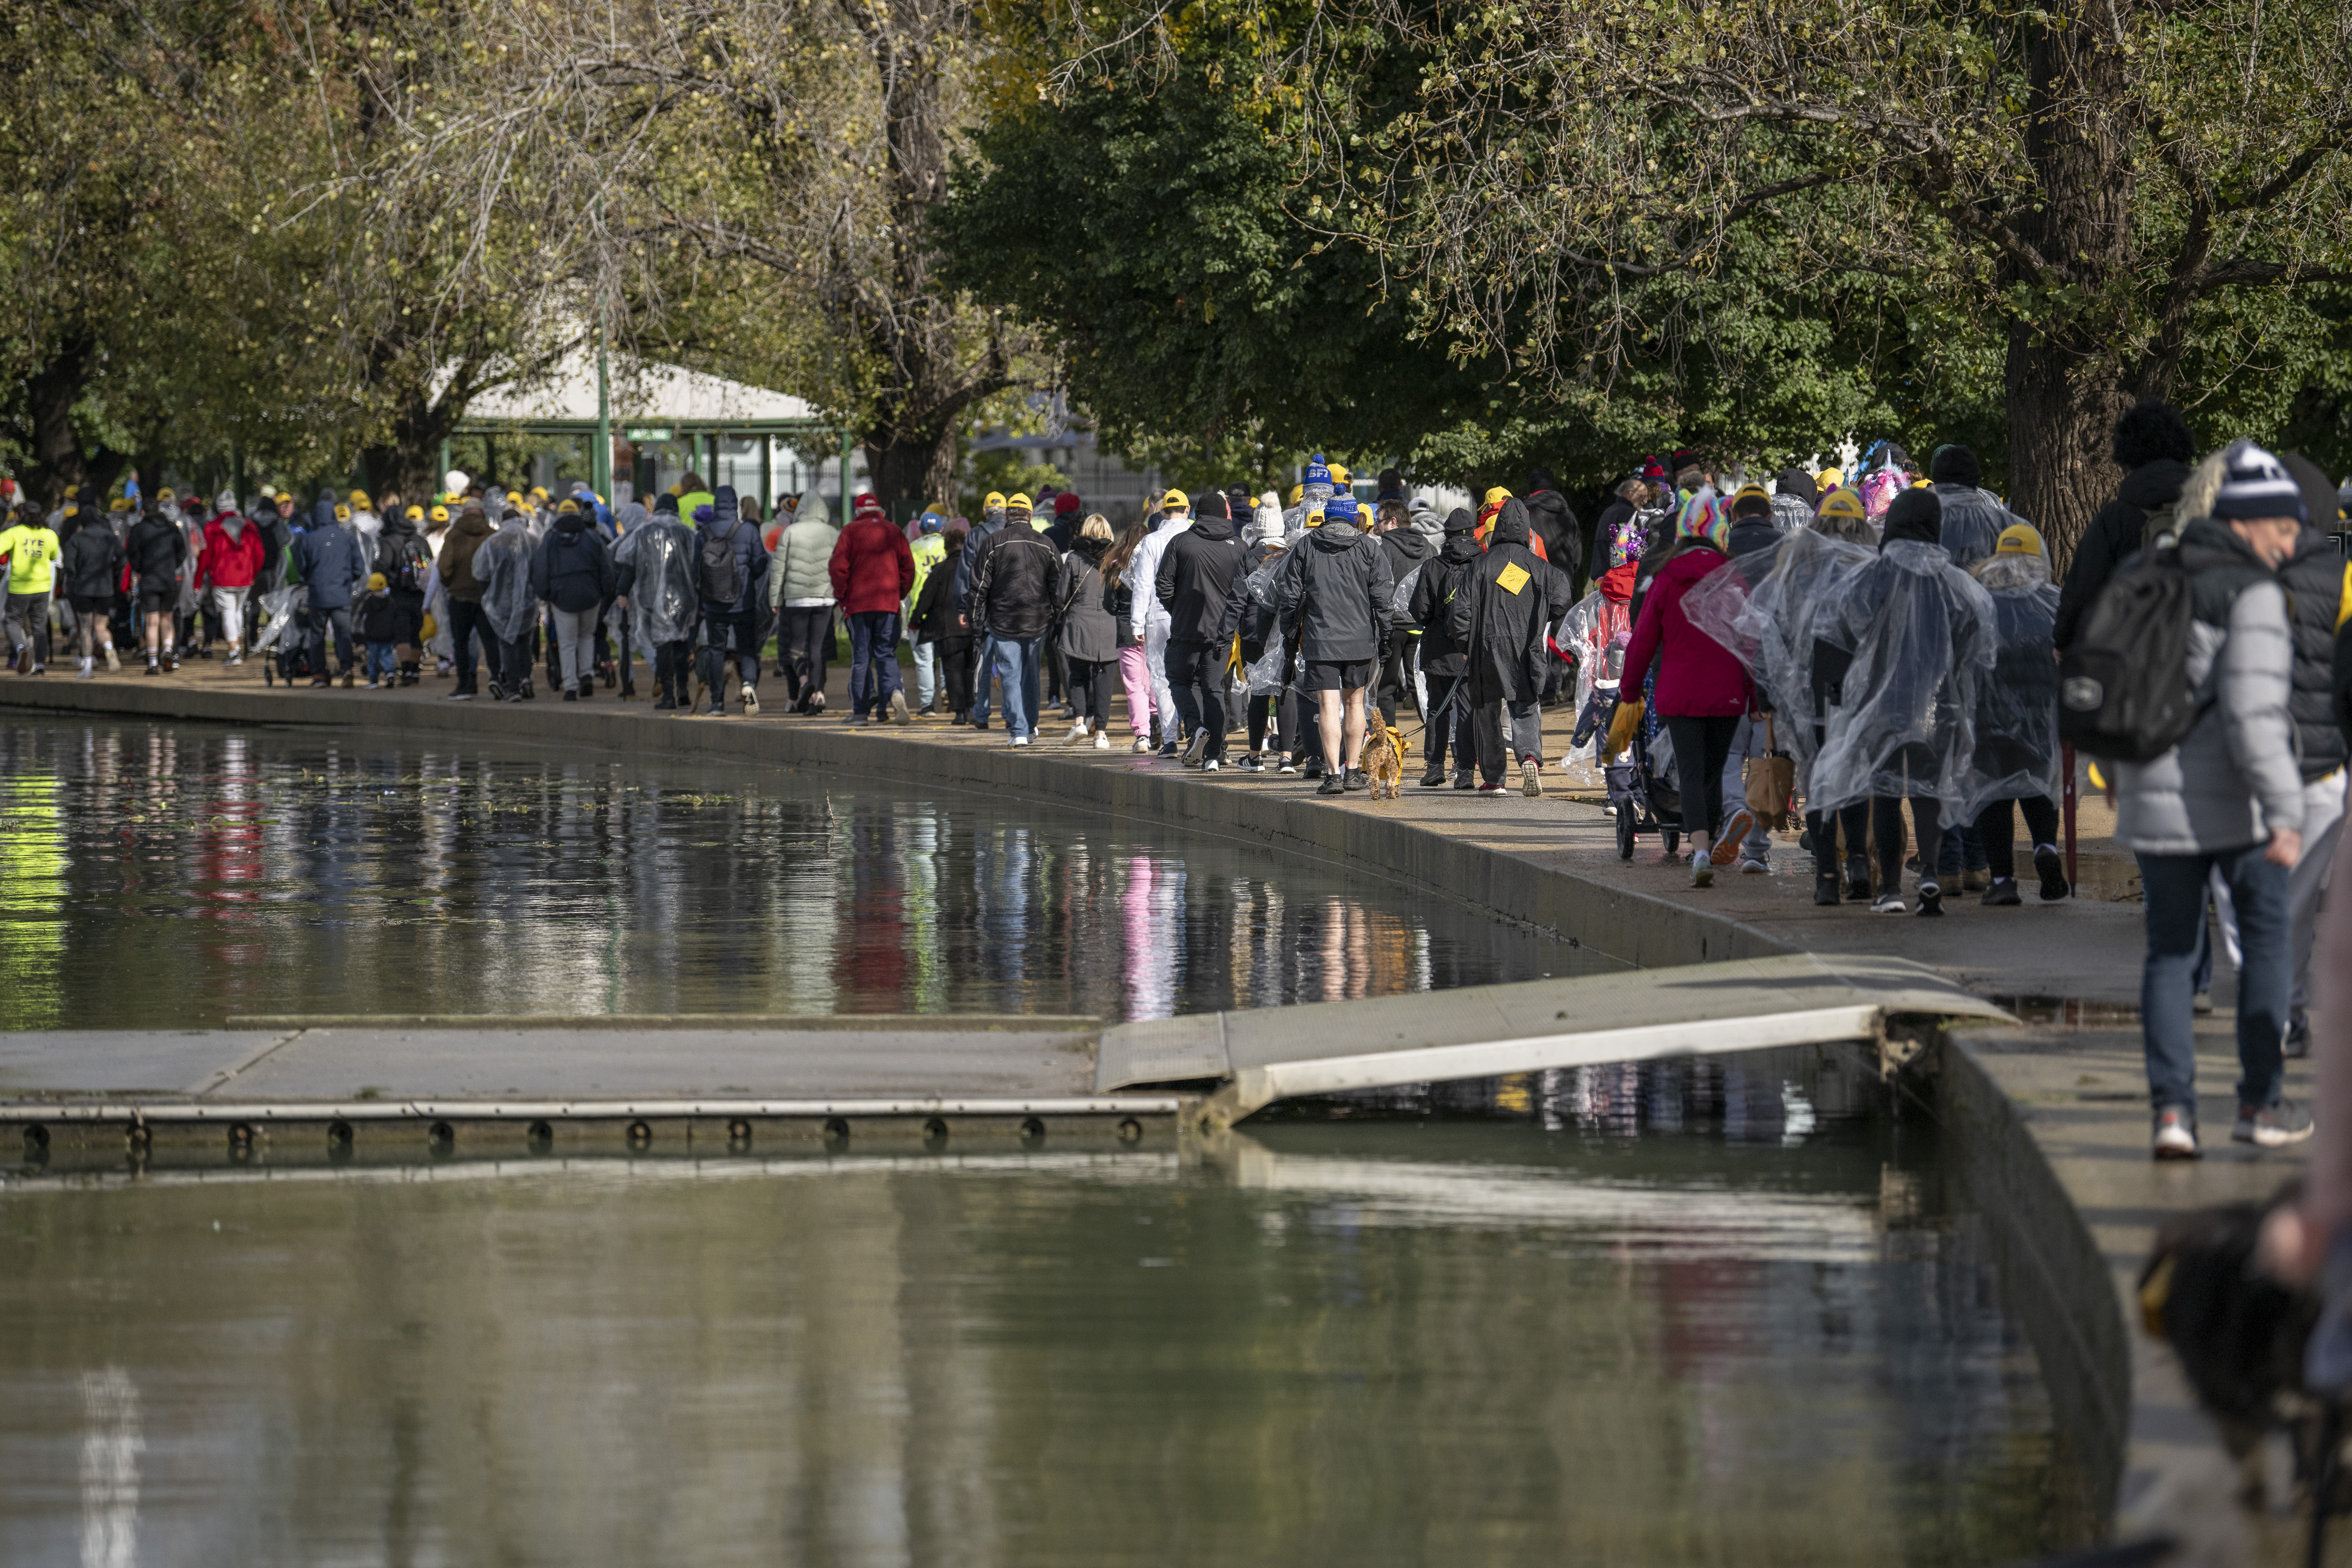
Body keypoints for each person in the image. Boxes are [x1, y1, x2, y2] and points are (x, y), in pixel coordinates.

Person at [2116, 441, 2310, 1158]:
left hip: (2154, 801)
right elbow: (2255, 716)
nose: (2291, 541)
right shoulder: (2251, 590)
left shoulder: (2142, 570)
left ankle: (2172, 1115)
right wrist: (2285, 809)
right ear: (2249, 522)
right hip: (2239, 808)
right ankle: (2259, 1103)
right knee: (2264, 947)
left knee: (2170, 954)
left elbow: (2105, 681)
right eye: (2284, 526)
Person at [1812, 487, 1994, 914]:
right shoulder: (1958, 584)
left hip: (1880, 704)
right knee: (1930, 791)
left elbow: (1834, 635)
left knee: (1887, 793)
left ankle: (1891, 889)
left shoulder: (1867, 577)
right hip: (1940, 703)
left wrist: (1836, 692)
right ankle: (1930, 872)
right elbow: (1979, 646)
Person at [1620, 493, 1749, 879]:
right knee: (1714, 772)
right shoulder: (1734, 576)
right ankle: (1711, 836)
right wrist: (1758, 695)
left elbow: (1642, 641)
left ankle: (1702, 853)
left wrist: (1629, 692)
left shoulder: (1667, 576)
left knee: (1690, 774)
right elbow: (1751, 642)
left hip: (1679, 693)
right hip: (1728, 694)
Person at [1964, 525, 2070, 904]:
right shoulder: (2055, 602)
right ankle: (2046, 848)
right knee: (2039, 787)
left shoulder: (1979, 602)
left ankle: (2004, 880)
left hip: (1988, 718)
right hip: (2041, 719)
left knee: (1994, 797)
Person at [1276, 491, 1394, 795]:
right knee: (1355, 703)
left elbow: (1289, 597)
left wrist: (1290, 633)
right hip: (1359, 640)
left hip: (1320, 639)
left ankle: (1332, 776)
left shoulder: (1306, 546)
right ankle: (1353, 770)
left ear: (1326, 517)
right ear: (1355, 518)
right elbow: (1383, 600)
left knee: (1328, 705)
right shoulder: (1370, 548)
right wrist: (1385, 638)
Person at [2056, 401, 2196, 650]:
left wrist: (2063, 641)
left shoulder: (2117, 516)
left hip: (2131, 648)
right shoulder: (2207, 511)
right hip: (2193, 645)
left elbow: (2083, 589)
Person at [1155, 489, 1247, 769]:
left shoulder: (1181, 543)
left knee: (1178, 680)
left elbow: (1163, 586)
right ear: (1224, 515)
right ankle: (1215, 755)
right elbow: (1248, 591)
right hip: (1223, 633)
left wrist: (1179, 610)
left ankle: (1195, 728)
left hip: (1186, 629)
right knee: (1214, 690)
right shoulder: (1240, 547)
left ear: (1198, 514)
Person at [970, 491, 1060, 745]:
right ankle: (1029, 727)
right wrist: (1059, 617)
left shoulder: (993, 542)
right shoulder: (1046, 544)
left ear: (1008, 515)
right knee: (1031, 674)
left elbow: (978, 585)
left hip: (1003, 620)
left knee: (1010, 674)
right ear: (1030, 515)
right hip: (1038, 621)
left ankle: (1019, 730)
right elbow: (1057, 587)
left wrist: (976, 618)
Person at [1410, 507, 1483, 788]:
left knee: (1437, 709)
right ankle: (1465, 770)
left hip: (1438, 650)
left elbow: (1419, 611)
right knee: (1467, 709)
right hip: (1471, 650)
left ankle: (1435, 767)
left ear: (1447, 536)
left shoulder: (1433, 566)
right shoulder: (1483, 565)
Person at [829, 492, 917, 724]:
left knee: (861, 658)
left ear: (858, 511)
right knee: (886, 654)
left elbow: (838, 568)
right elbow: (908, 567)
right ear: (879, 510)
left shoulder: (849, 532)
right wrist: (899, 593)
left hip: (858, 605)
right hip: (887, 603)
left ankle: (860, 712)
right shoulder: (894, 531)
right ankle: (894, 692)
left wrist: (842, 597)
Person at [612, 497, 699, 711]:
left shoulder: (643, 532)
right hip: (684, 598)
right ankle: (684, 691)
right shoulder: (689, 533)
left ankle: (668, 696)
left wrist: (622, 592)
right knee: (681, 644)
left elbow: (629, 564)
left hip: (653, 599)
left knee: (662, 646)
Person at [1125, 489, 1193, 755]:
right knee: (1193, 676)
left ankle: (1170, 739)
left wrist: (1136, 624)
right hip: (1191, 615)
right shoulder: (1196, 537)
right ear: (1188, 510)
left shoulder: (1151, 541)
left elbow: (1142, 585)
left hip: (1157, 616)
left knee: (1162, 679)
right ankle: (1196, 728)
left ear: (1162, 512)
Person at [530, 498, 617, 701]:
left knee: (567, 643)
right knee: (587, 636)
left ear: (558, 515)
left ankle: (570, 686)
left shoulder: (550, 538)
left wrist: (546, 595)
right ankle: (586, 676)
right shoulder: (591, 537)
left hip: (562, 598)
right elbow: (607, 567)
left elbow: (541, 568)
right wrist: (604, 593)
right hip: (590, 595)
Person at [694, 487, 769, 718]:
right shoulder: (748, 530)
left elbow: (694, 570)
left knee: (717, 651)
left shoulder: (704, 533)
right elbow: (760, 563)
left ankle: (717, 703)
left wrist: (703, 598)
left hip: (714, 603)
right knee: (747, 648)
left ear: (716, 505)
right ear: (735, 504)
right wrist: (748, 581)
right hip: (743, 601)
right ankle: (748, 683)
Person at [768, 486, 838, 713]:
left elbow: (778, 569)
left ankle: (804, 681)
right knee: (817, 648)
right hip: (824, 598)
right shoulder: (832, 533)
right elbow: (839, 566)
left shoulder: (790, 532)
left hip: (796, 599)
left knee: (796, 647)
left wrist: (775, 597)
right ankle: (817, 694)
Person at [1056, 514, 1119, 747]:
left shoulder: (1074, 558)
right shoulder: (1116, 560)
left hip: (1079, 624)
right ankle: (1101, 734)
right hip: (1108, 625)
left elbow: (1061, 595)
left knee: (1078, 677)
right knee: (1104, 682)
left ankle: (1080, 722)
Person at [474, 506, 541, 701]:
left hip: (501, 604)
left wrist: (487, 597)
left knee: (507, 643)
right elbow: (540, 571)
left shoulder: (492, 543)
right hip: (528, 603)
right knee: (524, 642)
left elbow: (481, 573)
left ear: (502, 522)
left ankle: (512, 687)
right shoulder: (534, 542)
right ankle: (526, 677)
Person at [1375, 499, 1431, 725]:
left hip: (1392, 627)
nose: (1376, 526)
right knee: (1421, 686)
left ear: (1392, 522)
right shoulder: (1428, 547)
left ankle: (1389, 746)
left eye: (1380, 521)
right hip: (1422, 625)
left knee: (1385, 689)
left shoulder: (1382, 547)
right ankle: (1436, 745)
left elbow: (1378, 587)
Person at [910, 523, 974, 722]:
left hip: (947, 628)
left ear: (946, 548)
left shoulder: (939, 570)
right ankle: (972, 707)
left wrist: (916, 619)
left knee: (952, 669)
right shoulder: (973, 569)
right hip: (972, 627)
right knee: (970, 669)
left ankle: (960, 712)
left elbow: (925, 597)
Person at [1100, 520, 1154, 751]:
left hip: (1126, 632)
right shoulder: (1154, 562)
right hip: (1153, 630)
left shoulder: (1117, 567)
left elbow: (1109, 605)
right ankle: (1161, 728)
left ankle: (1142, 735)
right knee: (1155, 681)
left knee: (1134, 686)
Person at [438, 501, 500, 700]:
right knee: (491, 641)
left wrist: (452, 583)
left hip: (460, 596)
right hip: (486, 597)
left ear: (464, 513)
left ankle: (465, 684)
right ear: (482, 513)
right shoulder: (491, 535)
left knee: (461, 643)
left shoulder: (454, 535)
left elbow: (444, 567)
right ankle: (497, 679)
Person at [127, 501, 193, 676]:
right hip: (169, 580)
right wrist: (172, 566)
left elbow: (132, 554)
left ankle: (153, 663)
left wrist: (140, 568)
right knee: (167, 618)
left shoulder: (138, 530)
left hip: (149, 580)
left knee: (151, 621)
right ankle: (168, 650)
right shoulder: (171, 528)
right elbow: (182, 552)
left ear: (143, 512)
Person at [200, 496, 265, 666]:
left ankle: (233, 652)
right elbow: (259, 553)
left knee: (228, 612)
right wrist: (253, 572)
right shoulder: (249, 526)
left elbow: (205, 557)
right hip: (245, 576)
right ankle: (235, 647)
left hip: (222, 577)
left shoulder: (212, 528)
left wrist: (198, 580)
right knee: (237, 611)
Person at [372, 504, 432, 686]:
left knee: (402, 634)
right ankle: (415, 671)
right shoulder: (421, 540)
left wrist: (387, 581)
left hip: (399, 594)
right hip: (420, 594)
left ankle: (406, 670)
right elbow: (430, 564)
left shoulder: (390, 541)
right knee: (417, 633)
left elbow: (383, 567)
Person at [58, 504, 120, 677]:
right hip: (105, 588)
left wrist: (75, 577)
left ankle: (87, 667)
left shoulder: (77, 539)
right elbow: (122, 559)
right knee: (101, 627)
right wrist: (112, 573)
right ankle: (109, 648)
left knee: (85, 627)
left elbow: (69, 564)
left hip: (83, 588)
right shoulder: (110, 537)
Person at [0, 506, 62, 675]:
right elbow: (54, 556)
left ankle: (21, 648)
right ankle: (40, 667)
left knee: (12, 621)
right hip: (42, 588)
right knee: (39, 628)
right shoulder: (49, 534)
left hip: (19, 588)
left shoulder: (15, 533)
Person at [906, 511, 947, 714]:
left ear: (921, 530)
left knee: (925, 660)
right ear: (941, 529)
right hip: (946, 609)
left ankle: (927, 704)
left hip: (919, 611)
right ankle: (949, 692)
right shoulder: (947, 546)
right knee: (947, 655)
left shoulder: (913, 548)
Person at [356, 572, 399, 688]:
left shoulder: (368, 602)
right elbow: (396, 618)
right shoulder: (391, 602)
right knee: (387, 656)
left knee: (373, 660)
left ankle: (374, 680)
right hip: (388, 636)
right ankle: (390, 673)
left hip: (372, 637)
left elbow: (361, 618)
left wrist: (361, 638)